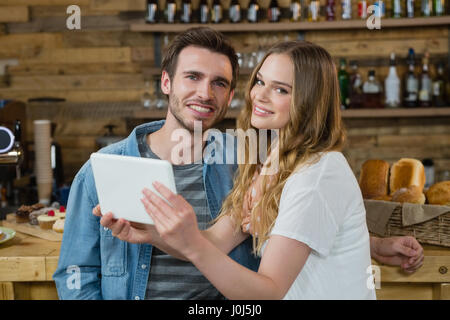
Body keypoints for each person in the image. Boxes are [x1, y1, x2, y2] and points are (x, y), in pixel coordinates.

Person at [98, 41, 424, 299]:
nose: (259, 95)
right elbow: (215, 241)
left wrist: (190, 243)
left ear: (308, 102)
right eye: (260, 82)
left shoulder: (317, 173)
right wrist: (152, 233)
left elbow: (268, 291)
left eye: (281, 89)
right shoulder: (271, 160)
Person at [53, 27, 260, 300]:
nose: (206, 93)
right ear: (166, 82)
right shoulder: (97, 172)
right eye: (193, 77)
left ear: (230, 97)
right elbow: (75, 274)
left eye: (219, 83)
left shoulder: (247, 164)